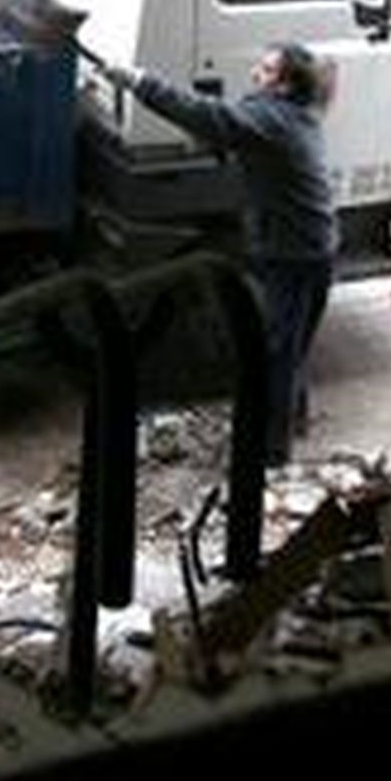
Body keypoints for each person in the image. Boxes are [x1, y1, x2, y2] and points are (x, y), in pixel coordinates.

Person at [105, 42, 338, 466]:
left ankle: (269, 452)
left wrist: (140, 83)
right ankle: (292, 421)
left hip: (294, 252)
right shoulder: (293, 114)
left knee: (277, 351)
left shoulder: (273, 117)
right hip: (309, 246)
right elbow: (232, 131)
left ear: (285, 85)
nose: (256, 74)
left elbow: (208, 115)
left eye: (267, 70)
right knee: (293, 344)